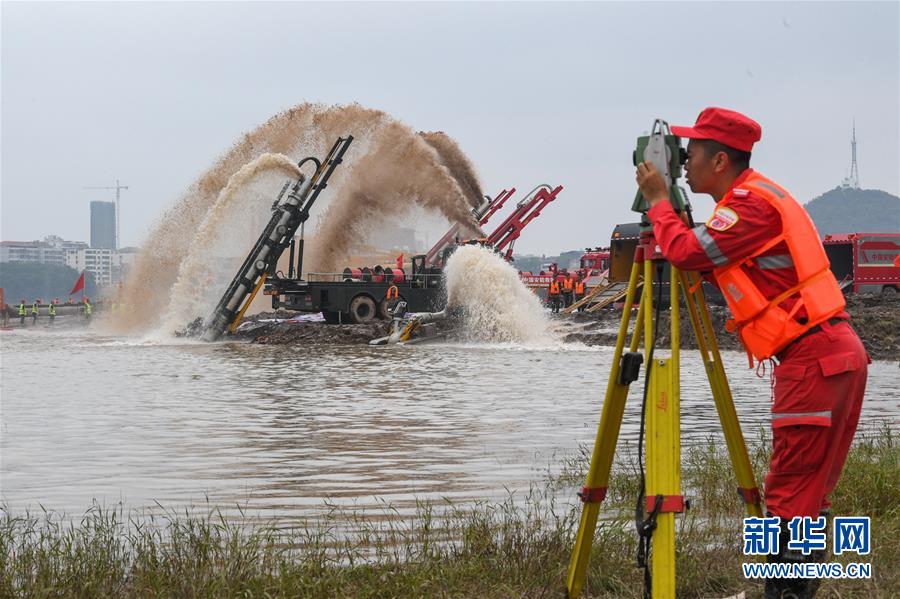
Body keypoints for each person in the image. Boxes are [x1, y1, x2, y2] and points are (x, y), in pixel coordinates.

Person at [636, 107, 868, 599]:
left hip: (814, 358)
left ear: (720, 160)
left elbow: (686, 254)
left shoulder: (747, 206)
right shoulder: (755, 199)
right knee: (807, 493)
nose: (682, 162)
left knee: (788, 496)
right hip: (828, 352)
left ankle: (783, 594)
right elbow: (712, 258)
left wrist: (658, 203)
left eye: (690, 153)